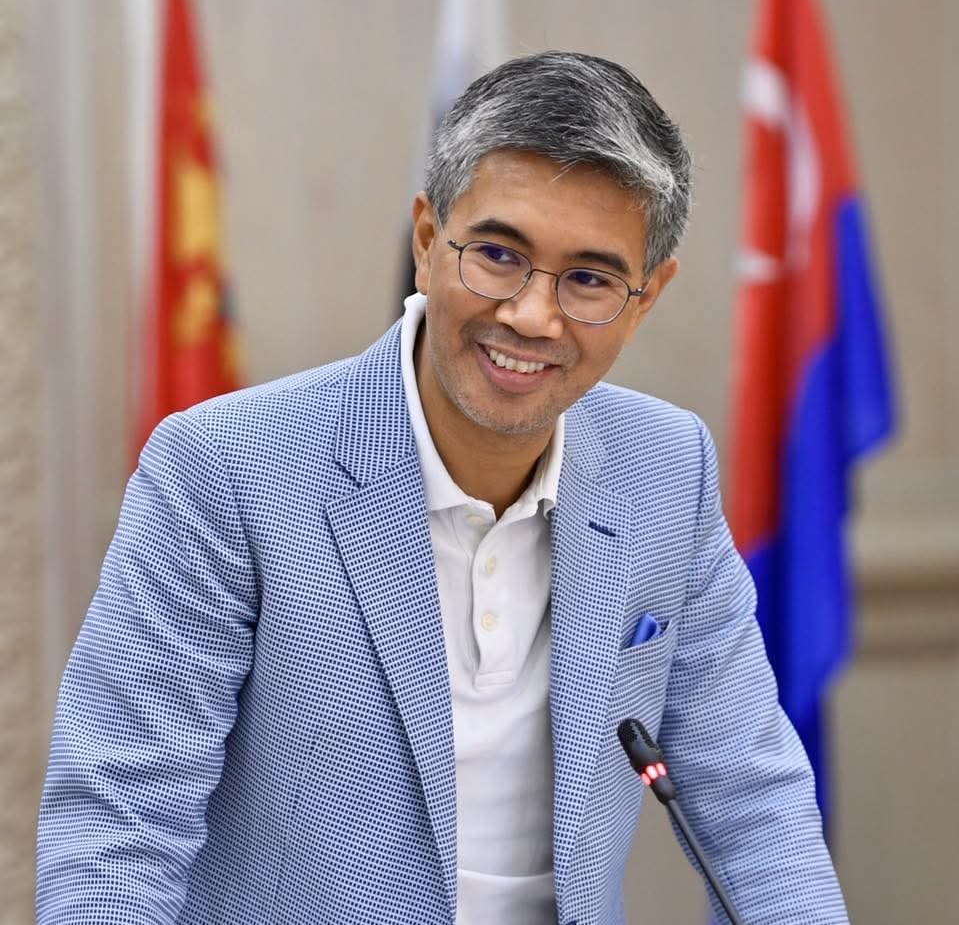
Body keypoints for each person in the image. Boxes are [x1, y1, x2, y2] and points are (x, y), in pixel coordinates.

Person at [37, 51, 849, 925]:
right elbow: (119, 830)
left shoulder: (665, 466)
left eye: (588, 279)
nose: (531, 315)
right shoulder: (224, 470)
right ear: (425, 240)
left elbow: (754, 806)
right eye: (497, 255)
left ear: (646, 296)